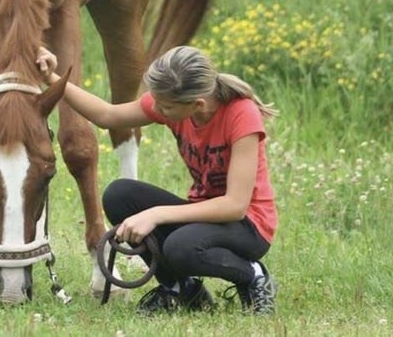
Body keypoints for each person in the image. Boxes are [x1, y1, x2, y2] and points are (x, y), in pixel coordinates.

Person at [36, 45, 278, 315]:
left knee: (180, 248)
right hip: (203, 215)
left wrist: (155, 214)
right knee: (119, 195)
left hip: (247, 226)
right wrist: (52, 79)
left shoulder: (241, 114)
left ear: (197, 104)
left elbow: (235, 206)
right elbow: (107, 116)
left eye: (165, 107)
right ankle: (181, 289)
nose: (157, 110)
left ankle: (253, 275)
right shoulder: (173, 103)